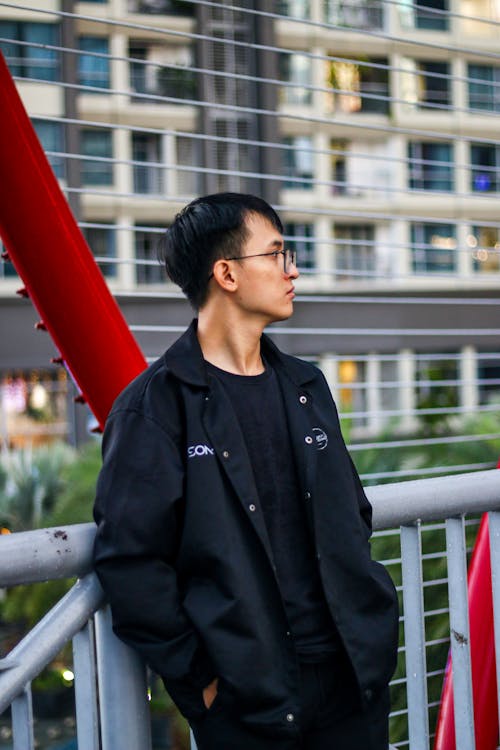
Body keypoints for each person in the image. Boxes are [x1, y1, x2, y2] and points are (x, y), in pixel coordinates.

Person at [93, 192, 399, 750]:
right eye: (277, 254)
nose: (293, 270)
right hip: (245, 703)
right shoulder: (155, 408)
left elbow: (352, 513)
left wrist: (373, 628)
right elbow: (132, 562)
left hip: (350, 680)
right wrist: (201, 683)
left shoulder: (306, 386)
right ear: (227, 273)